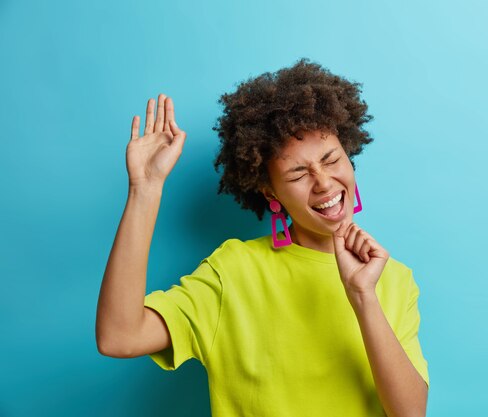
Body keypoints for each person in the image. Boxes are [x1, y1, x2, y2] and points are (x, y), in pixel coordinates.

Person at [96, 58, 429, 417]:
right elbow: (120, 337)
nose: (323, 182)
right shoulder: (234, 271)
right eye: (299, 173)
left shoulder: (394, 279)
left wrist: (363, 296)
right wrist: (144, 190)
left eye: (331, 159)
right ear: (271, 193)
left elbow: (410, 413)